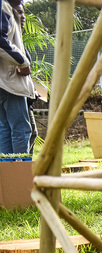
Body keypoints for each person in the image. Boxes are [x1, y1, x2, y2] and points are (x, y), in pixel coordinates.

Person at [0, 0, 35, 156]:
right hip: (10, 82)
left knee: (5, 130)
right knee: (20, 129)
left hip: (5, 82)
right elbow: (2, 42)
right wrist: (23, 62)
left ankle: (8, 177)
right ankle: (19, 177)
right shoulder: (4, 7)